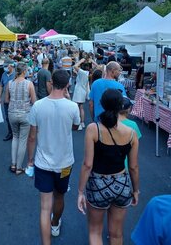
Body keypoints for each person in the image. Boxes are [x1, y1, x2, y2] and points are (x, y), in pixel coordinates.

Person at [77, 88, 139, 245]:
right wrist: (136, 190)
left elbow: (87, 164)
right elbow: (133, 167)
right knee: (116, 234)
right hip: (122, 184)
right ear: (121, 106)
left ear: (102, 105)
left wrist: (80, 191)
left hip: (98, 185)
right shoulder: (131, 133)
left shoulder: (94, 129)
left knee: (95, 231)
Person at [27, 69, 80, 244]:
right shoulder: (72, 106)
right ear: (67, 85)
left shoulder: (38, 106)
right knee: (60, 196)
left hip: (43, 162)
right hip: (64, 162)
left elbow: (32, 136)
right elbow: (76, 126)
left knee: (44, 207)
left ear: (50, 82)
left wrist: (30, 160)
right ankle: (55, 223)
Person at [5, 62, 36, 175]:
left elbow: (6, 100)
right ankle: (19, 167)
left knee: (15, 137)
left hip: (12, 113)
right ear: (24, 71)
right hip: (25, 113)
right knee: (23, 140)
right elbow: (34, 101)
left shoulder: (10, 83)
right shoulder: (29, 84)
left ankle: (13, 164)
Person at [119, 96, 142, 170]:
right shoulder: (133, 125)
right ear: (129, 109)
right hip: (124, 164)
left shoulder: (107, 122)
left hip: (107, 165)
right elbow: (135, 143)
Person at [0, 60, 16, 141]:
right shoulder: (4, 74)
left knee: (15, 117)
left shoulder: (16, 75)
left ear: (11, 66)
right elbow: (1, 86)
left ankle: (15, 133)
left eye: (6, 66)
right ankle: (10, 133)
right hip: (6, 99)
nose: (5, 68)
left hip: (15, 100)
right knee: (8, 117)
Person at [72, 58, 89, 130]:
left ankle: (78, 123)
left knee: (76, 108)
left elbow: (75, 66)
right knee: (81, 107)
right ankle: (82, 122)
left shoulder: (82, 72)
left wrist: (81, 60)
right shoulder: (87, 73)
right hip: (83, 91)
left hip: (78, 91)